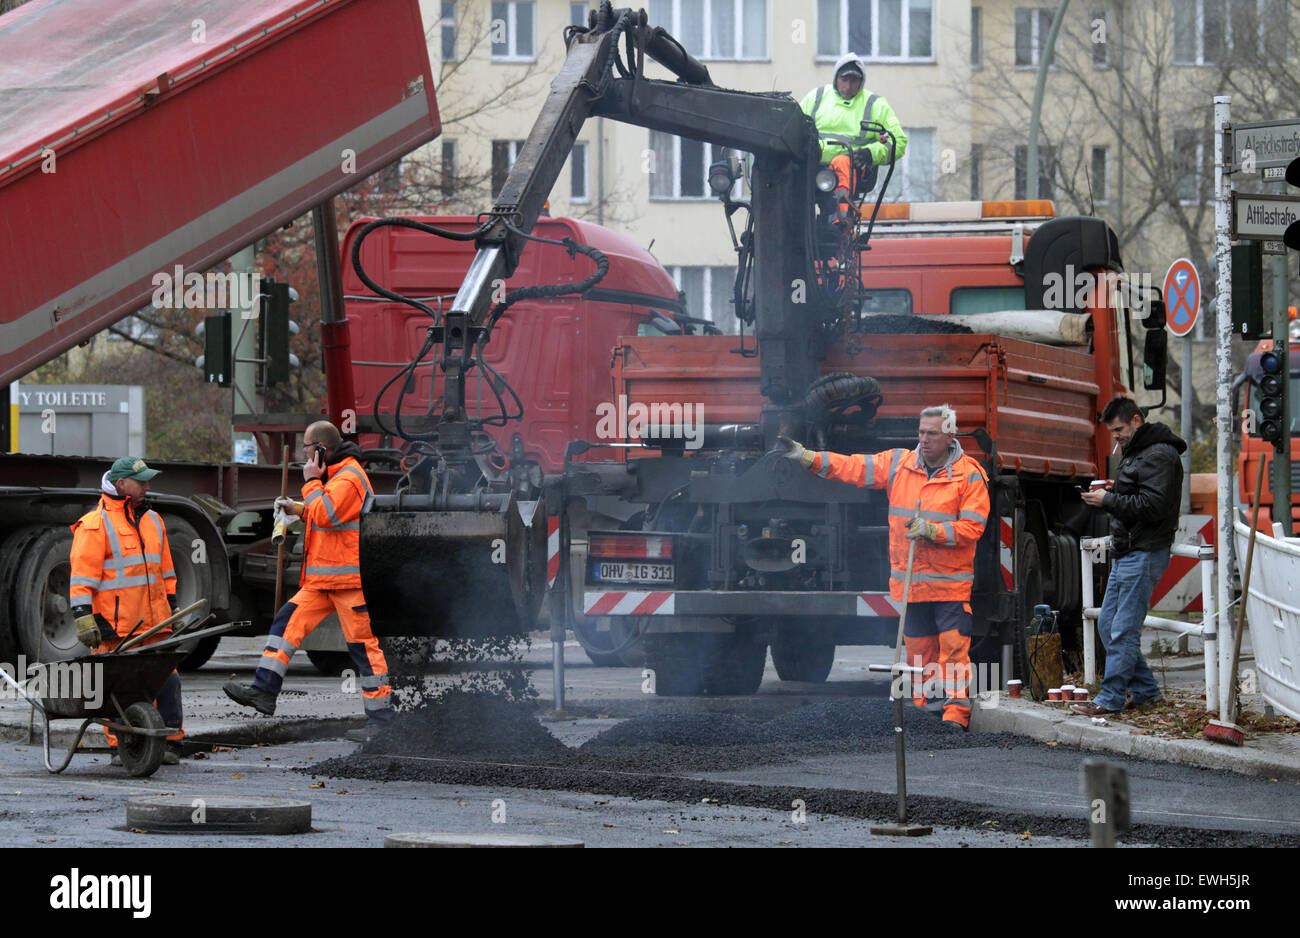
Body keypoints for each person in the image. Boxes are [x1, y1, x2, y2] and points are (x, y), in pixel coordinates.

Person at [779, 404, 989, 730]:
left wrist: (934, 532)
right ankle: (926, 716)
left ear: (950, 435)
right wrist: (809, 458)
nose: (925, 439)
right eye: (921, 432)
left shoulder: (969, 475)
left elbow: (973, 528)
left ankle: (955, 717)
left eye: (932, 433)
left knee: (952, 653)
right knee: (919, 655)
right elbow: (852, 467)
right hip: (912, 587)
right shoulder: (899, 464)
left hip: (949, 585)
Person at [224, 420, 395, 740]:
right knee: (285, 624)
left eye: (306, 449)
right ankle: (264, 690)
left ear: (320, 450)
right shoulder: (338, 475)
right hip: (324, 580)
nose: (304, 458)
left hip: (349, 581)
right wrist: (297, 509)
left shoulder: (349, 476)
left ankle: (382, 720)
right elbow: (323, 510)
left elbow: (328, 513)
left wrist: (310, 484)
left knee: (364, 650)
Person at [1072, 397, 1185, 716]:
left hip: (1144, 551)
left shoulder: (1158, 454)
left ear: (1137, 420)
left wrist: (1108, 499)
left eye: (1119, 429)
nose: (1116, 436)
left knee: (1121, 628)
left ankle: (1110, 698)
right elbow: (1141, 498)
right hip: (1130, 550)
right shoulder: (1140, 451)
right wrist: (1110, 496)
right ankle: (1147, 691)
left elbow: (1153, 506)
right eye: (1112, 431)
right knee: (1108, 624)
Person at [70, 456, 184, 764]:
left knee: (167, 680)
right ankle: (122, 746)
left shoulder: (153, 521)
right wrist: (84, 617)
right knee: (120, 688)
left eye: (148, 480)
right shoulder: (95, 525)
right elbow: (82, 578)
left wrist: (173, 609)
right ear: (121, 484)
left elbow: (167, 572)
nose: (147, 486)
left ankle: (169, 742)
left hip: (155, 625)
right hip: (116, 627)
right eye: (141, 481)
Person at [799, 52, 908, 225]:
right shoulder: (817, 97)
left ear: (861, 82)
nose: (848, 87)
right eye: (844, 80)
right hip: (812, 163)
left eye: (853, 81)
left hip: (853, 168)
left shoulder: (875, 104)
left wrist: (870, 154)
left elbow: (898, 142)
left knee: (842, 162)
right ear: (836, 79)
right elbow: (794, 127)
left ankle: (841, 221)